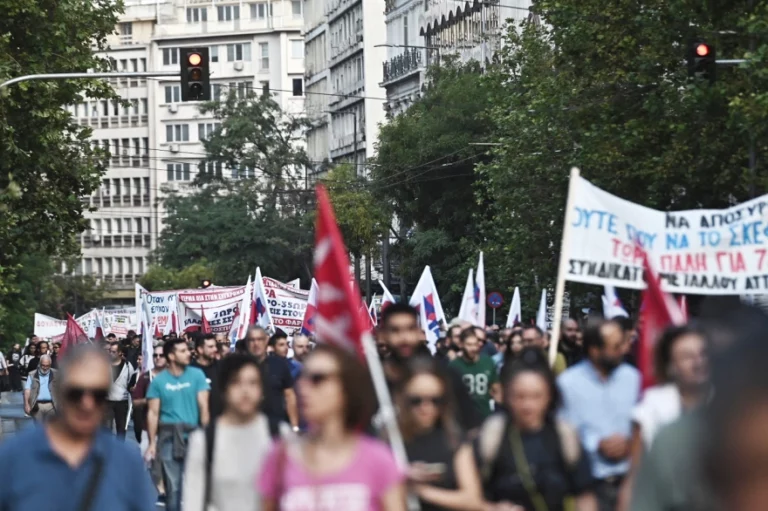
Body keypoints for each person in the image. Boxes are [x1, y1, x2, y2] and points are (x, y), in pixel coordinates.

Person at [0, 343, 157, 510]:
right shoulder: (14, 458)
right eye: (76, 393)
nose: (87, 404)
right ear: (60, 391)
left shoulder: (127, 464)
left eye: (98, 395)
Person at [258, 343, 406, 510]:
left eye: (317, 379)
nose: (303, 387)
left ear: (346, 386)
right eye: (303, 378)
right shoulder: (280, 457)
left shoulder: (378, 461)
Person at [477, 348, 597, 511]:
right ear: (507, 397)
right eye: (520, 396)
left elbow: (585, 495)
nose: (528, 405)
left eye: (536, 396)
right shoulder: (492, 436)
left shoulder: (564, 436)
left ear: (549, 396)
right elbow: (471, 496)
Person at [617, 325, 709, 510]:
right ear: (671, 366)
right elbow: (635, 475)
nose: (698, 362)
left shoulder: (732, 402)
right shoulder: (652, 406)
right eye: (687, 357)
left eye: (703, 354)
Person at [558, 319, 640, 511]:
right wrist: (596, 443)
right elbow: (562, 430)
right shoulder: (568, 384)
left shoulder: (634, 379)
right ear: (594, 350)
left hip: (631, 483)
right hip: (587, 486)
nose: (623, 350)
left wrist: (629, 443)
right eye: (616, 346)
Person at [183, 354, 275, 511]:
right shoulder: (204, 441)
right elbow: (193, 500)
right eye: (236, 382)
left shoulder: (279, 435)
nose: (245, 391)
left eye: (253, 383)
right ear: (224, 389)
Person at [379, 303, 484, 432]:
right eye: (395, 330)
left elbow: (471, 423)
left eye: (410, 329)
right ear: (383, 335)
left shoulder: (445, 374)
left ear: (419, 332)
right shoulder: (376, 377)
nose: (404, 338)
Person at [399, 358, 484, 511]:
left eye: (435, 400)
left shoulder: (454, 440)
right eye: (416, 401)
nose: (426, 407)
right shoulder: (390, 441)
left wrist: (419, 490)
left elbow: (472, 500)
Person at [145, 338, 210, 511]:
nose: (188, 353)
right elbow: (153, 413)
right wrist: (152, 443)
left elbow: (204, 407)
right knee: (173, 490)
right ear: (172, 356)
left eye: (187, 350)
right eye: (183, 351)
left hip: (194, 437)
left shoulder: (197, 375)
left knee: (196, 487)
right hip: (168, 439)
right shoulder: (159, 382)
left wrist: (206, 436)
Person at [245, 326, 299, 432]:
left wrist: (294, 426)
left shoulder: (279, 364)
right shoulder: (239, 366)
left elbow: (289, 396)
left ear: (266, 341)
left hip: (277, 427)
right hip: (248, 428)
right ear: (247, 342)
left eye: (259, 339)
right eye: (252, 340)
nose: (256, 343)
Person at [131, 343, 167, 499]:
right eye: (155, 355)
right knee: (148, 460)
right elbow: (135, 402)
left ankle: (168, 488)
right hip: (149, 427)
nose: (158, 358)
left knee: (168, 461)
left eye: (161, 355)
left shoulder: (174, 377)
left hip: (170, 426)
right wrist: (149, 399)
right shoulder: (145, 377)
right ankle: (160, 489)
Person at [449, 328, 500, 420]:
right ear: (461, 344)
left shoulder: (488, 362)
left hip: (485, 416)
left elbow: (496, 390)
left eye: (475, 344)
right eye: (469, 345)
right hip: (462, 418)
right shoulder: (454, 365)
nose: (473, 348)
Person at [104, 342, 136, 439]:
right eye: (110, 351)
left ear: (120, 353)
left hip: (122, 402)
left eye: (113, 352)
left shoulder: (127, 366)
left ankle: (120, 446)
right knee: (107, 429)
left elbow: (131, 381)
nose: (111, 354)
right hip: (107, 401)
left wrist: (132, 388)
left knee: (121, 428)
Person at [191, 332, 221, 417]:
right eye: (210, 347)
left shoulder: (222, 367)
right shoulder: (190, 371)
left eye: (215, 346)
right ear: (200, 349)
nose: (215, 349)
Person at [24, 354, 57, 422]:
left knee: (50, 427)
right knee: (39, 427)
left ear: (50, 365)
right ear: (39, 364)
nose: (45, 368)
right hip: (37, 406)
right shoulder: (32, 374)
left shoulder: (56, 374)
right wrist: (26, 404)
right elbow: (27, 390)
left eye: (47, 366)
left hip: (52, 406)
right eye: (43, 365)